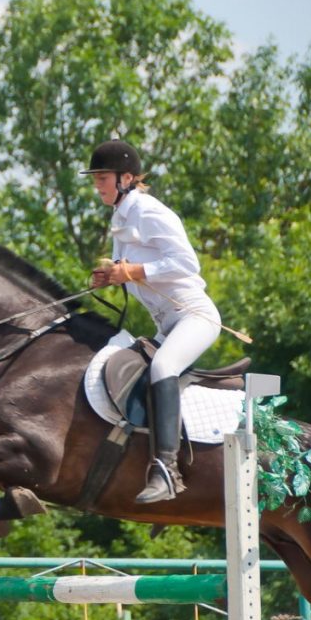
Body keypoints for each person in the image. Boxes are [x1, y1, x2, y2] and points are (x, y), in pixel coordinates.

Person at [82, 139, 221, 504]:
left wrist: (133, 271)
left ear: (126, 178)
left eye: (102, 178)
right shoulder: (122, 215)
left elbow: (188, 264)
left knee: (163, 365)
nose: (97, 185)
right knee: (129, 364)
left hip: (194, 315)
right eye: (95, 178)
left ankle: (166, 469)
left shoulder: (147, 210)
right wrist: (110, 276)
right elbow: (127, 271)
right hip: (166, 323)